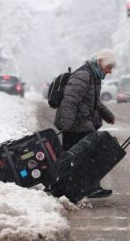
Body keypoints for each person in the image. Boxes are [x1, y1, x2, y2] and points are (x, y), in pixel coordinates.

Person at [55, 48, 117, 198]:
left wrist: (108, 116)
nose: (110, 72)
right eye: (109, 67)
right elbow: (70, 100)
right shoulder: (84, 75)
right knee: (88, 156)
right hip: (76, 125)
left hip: (82, 123)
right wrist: (67, 125)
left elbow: (95, 102)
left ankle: (82, 187)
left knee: (81, 159)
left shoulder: (93, 76)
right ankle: (79, 188)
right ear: (101, 62)